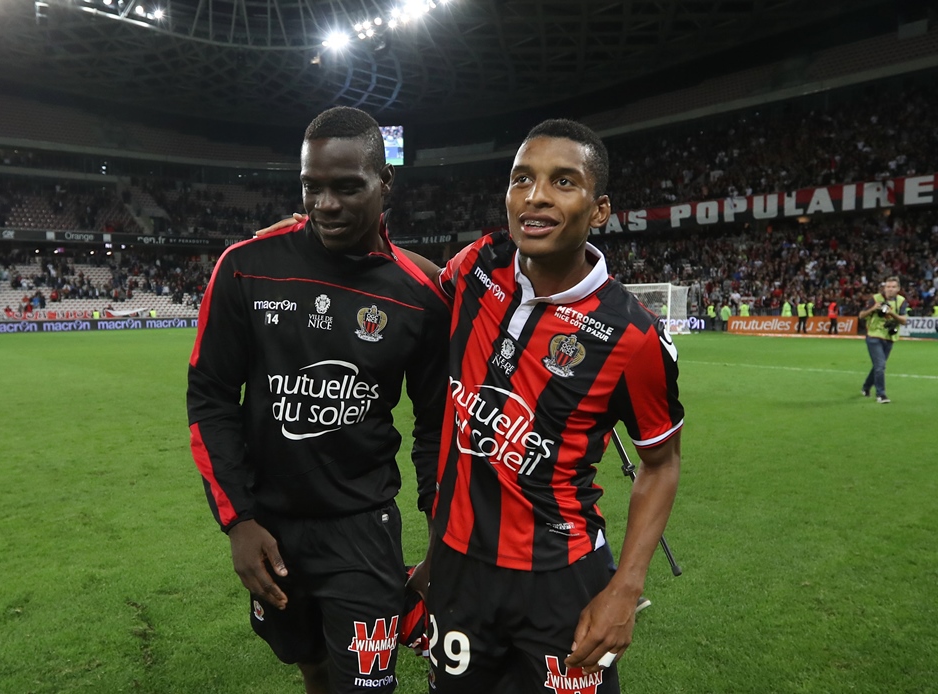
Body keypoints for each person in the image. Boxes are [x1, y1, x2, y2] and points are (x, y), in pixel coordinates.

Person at [186, 106, 449, 694]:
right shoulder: (246, 267)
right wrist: (238, 521)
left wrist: (439, 537)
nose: (325, 204)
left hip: (362, 526)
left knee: (368, 685)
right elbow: (210, 395)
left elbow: (437, 427)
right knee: (309, 664)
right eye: (312, 187)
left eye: (347, 187)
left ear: (386, 184)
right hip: (271, 527)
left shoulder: (418, 295)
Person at [422, 120, 683, 693]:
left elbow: (661, 466)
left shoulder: (632, 336)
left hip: (562, 580)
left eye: (563, 181)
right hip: (459, 568)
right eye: (522, 179)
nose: (536, 196)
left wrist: (625, 587)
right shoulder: (475, 266)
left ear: (599, 210)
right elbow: (412, 288)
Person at [858, 276, 908, 404]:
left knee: (877, 366)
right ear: (884, 287)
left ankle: (866, 387)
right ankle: (881, 394)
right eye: (888, 287)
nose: (890, 289)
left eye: (893, 287)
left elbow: (903, 320)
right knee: (880, 366)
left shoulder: (901, 301)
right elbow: (861, 315)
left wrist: (891, 313)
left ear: (898, 289)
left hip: (890, 337)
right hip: (874, 336)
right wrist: (873, 308)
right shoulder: (876, 299)